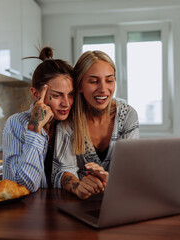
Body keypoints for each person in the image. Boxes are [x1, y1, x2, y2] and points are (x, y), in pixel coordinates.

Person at [52, 50, 140, 199]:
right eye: (93, 81)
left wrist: (110, 180)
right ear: (79, 85)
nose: (103, 89)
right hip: (79, 203)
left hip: (118, 201)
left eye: (109, 80)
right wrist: (78, 186)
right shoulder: (68, 122)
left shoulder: (127, 116)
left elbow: (130, 171)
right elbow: (62, 172)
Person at [2, 47, 74, 192]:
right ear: (36, 94)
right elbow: (22, 186)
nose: (66, 103)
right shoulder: (15, 124)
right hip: (24, 211)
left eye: (70, 94)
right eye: (57, 95)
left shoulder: (69, 125)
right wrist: (35, 129)